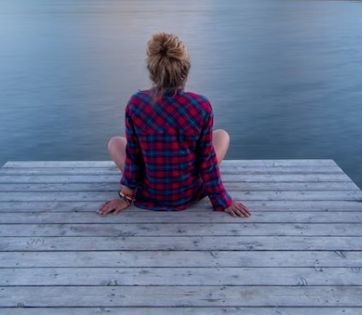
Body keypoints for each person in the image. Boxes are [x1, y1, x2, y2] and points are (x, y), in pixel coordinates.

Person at [97, 32, 251, 218]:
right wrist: (223, 201)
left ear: (152, 71)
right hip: (188, 193)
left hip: (148, 192)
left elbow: (134, 157)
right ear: (185, 70)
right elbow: (207, 160)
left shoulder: (136, 104)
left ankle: (138, 189)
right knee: (222, 136)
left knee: (115, 142)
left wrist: (125, 196)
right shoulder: (201, 106)